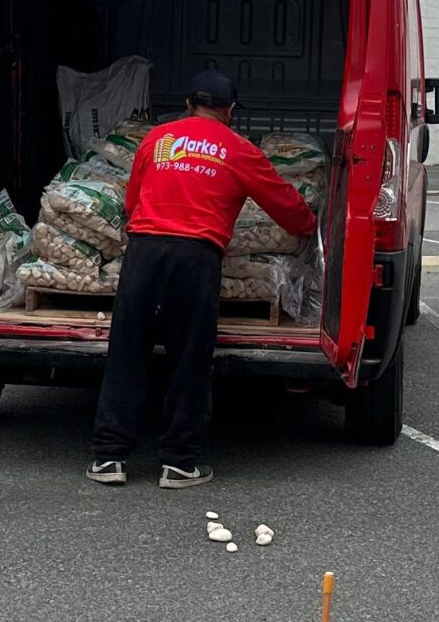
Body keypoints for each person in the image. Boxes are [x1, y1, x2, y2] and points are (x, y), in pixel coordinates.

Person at [88, 71, 320, 489]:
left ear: (188, 102)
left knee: (127, 351)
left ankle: (109, 458)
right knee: (189, 358)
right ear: (230, 110)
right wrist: (309, 225)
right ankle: (178, 462)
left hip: (144, 250)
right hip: (195, 257)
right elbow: (285, 205)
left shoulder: (157, 141)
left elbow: (132, 200)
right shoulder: (238, 149)